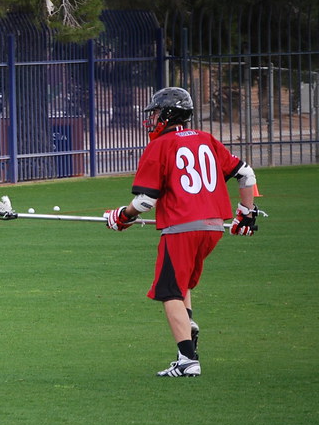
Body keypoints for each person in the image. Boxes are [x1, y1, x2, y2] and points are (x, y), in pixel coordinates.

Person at [106, 87, 260, 377]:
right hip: (212, 227)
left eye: (155, 113)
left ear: (167, 114)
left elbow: (144, 201)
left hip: (181, 228)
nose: (152, 120)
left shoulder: (159, 146)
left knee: (168, 291)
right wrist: (246, 214)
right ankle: (187, 326)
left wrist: (120, 217)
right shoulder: (206, 139)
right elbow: (246, 174)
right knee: (182, 283)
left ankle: (187, 360)